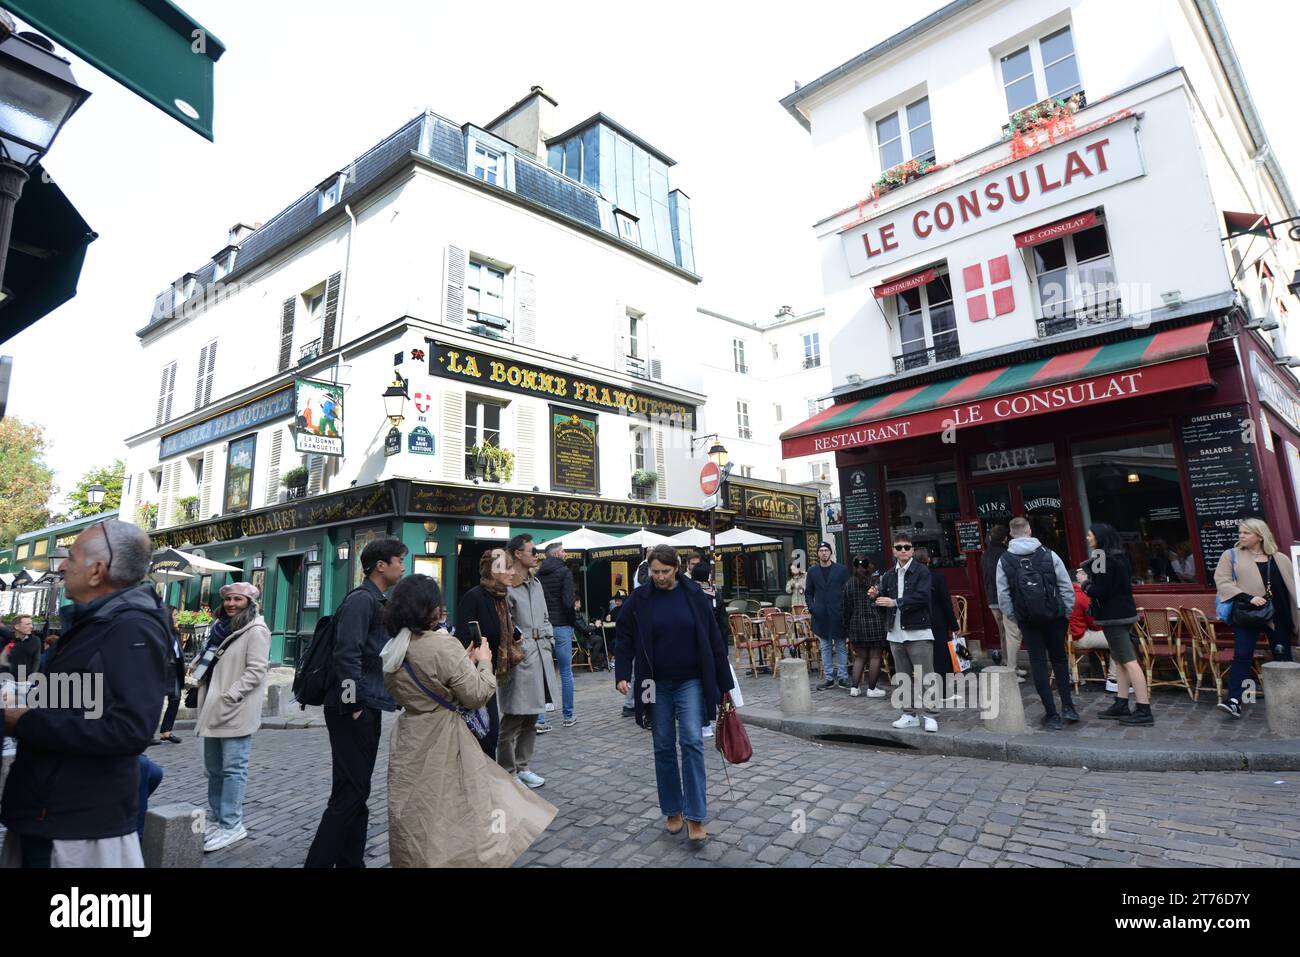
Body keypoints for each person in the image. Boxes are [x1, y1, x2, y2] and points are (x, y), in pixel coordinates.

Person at [0, 520, 169, 868]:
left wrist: (25, 721)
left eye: (71, 557)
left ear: (97, 571)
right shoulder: (93, 623)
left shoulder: (130, 627)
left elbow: (128, 729)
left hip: (75, 826)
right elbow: (78, 699)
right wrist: (24, 695)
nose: (62, 565)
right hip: (49, 814)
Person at [380, 574, 556, 867]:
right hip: (443, 738)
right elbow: (477, 694)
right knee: (457, 804)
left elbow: (427, 680)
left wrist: (464, 659)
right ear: (430, 608)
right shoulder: (441, 645)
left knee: (416, 809)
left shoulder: (395, 647)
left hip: (409, 737)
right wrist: (484, 661)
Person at [615, 545, 734, 842]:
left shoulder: (693, 594)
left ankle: (696, 815)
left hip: (690, 679)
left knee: (692, 740)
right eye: (654, 572)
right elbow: (624, 634)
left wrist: (724, 683)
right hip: (652, 683)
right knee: (663, 744)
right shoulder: (640, 598)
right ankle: (672, 809)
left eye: (665, 571)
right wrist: (621, 673)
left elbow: (713, 638)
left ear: (676, 568)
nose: (659, 577)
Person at [304, 537, 407, 868]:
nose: (402, 567)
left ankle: (351, 862)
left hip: (366, 705)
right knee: (350, 793)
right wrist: (353, 704)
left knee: (354, 790)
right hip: (352, 709)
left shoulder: (375, 600)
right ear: (381, 565)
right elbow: (345, 655)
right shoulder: (361, 601)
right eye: (399, 561)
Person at [194, 581, 272, 851]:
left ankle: (232, 824)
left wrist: (231, 695)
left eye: (238, 600)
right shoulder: (219, 630)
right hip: (212, 707)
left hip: (233, 709)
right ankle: (216, 819)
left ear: (249, 603)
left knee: (233, 770)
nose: (231, 604)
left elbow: (257, 670)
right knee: (214, 770)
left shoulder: (256, 630)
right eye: (228, 599)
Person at [997, 516, 1076, 730]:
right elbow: (1066, 587)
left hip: (1028, 620)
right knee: (1059, 660)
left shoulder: (1004, 560)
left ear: (1011, 534)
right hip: (1055, 617)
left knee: (1038, 664)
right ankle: (1068, 706)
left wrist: (1017, 618)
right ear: (1029, 530)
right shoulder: (1049, 554)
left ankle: (1051, 714)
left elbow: (1003, 596)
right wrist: (1065, 613)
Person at [1214, 519, 1297, 719]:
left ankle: (1289, 701)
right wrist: (1248, 597)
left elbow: (1292, 587)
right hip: (1247, 613)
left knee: (1282, 656)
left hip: (1278, 614)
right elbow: (1222, 581)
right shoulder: (1231, 555)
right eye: (1240, 532)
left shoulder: (1280, 558)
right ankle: (1234, 700)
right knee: (1242, 655)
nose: (1241, 536)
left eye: (1246, 533)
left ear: (1260, 536)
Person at [499, 533, 560, 789]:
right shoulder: (506, 584)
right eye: (532, 551)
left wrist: (549, 640)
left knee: (533, 716)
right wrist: (519, 644)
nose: (536, 555)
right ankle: (506, 770)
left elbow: (545, 616)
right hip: (521, 657)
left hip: (541, 654)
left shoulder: (536, 583)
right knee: (513, 716)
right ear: (516, 554)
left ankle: (523, 766)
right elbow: (505, 623)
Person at [1082, 525, 1151, 725]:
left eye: (1090, 534)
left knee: (1129, 661)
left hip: (1113, 616)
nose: (1087, 537)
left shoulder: (1101, 556)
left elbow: (1099, 590)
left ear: (1100, 537)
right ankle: (1121, 703)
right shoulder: (1119, 555)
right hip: (1124, 613)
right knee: (1120, 660)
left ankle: (1143, 709)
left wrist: (1084, 582)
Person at [874, 532, 938, 731]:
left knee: (925, 675)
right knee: (902, 676)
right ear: (893, 550)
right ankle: (908, 714)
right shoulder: (888, 574)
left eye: (907, 547)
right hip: (895, 632)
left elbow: (922, 598)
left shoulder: (921, 571)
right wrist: (875, 596)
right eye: (899, 547)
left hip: (918, 630)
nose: (903, 550)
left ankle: (930, 715)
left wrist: (895, 602)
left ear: (912, 550)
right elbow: (882, 603)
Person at [454, 548, 514, 758]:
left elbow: (500, 632)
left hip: (490, 676)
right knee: (488, 735)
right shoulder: (474, 598)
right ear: (493, 571)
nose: (512, 572)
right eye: (507, 567)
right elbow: (463, 641)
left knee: (489, 736)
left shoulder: (502, 598)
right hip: (474, 678)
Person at [536, 541, 577, 729]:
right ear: (556, 554)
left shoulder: (538, 574)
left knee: (543, 672)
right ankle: (568, 716)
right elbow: (568, 603)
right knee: (566, 672)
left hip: (544, 627)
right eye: (563, 551)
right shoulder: (565, 572)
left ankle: (540, 719)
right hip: (561, 626)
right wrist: (573, 622)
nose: (566, 553)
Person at [806, 542, 851, 689]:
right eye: (821, 550)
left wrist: (845, 609)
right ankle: (829, 678)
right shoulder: (812, 572)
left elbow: (847, 591)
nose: (824, 553)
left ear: (830, 553)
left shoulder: (841, 570)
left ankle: (843, 677)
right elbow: (808, 592)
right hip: (821, 615)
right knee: (825, 647)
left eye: (826, 550)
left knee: (840, 646)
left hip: (838, 614)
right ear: (818, 553)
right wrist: (812, 608)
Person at [842, 555, 887, 697]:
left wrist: (848, 626)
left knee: (860, 657)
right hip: (875, 624)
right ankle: (872, 689)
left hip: (856, 624)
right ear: (869, 566)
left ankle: (854, 688)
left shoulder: (848, 584)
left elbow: (844, 608)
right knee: (875, 657)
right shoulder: (875, 583)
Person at [981, 525, 1022, 681]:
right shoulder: (1007, 554)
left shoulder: (985, 555)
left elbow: (985, 579)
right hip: (1006, 599)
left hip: (992, 599)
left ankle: (1008, 664)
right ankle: (1012, 670)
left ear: (990, 538)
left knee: (1004, 634)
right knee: (1013, 634)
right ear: (1006, 538)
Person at [1069, 567, 1118, 693]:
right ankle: (1114, 679)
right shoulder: (1082, 596)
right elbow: (1094, 623)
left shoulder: (1065, 594)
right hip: (1079, 638)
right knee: (1117, 639)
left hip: (1067, 638)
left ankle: (1095, 674)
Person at [913, 547, 958, 677]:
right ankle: (944, 685)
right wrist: (954, 625)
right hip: (937, 619)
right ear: (928, 560)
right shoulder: (937, 577)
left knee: (924, 655)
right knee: (941, 654)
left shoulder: (911, 579)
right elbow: (946, 603)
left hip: (919, 620)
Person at [152, 608, 187, 745]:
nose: (176, 617)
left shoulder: (176, 632)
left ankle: (166, 732)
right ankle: (148, 734)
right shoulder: (158, 631)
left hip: (175, 669)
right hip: (161, 669)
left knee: (176, 698)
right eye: (174, 614)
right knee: (156, 701)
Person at [0, 615, 41, 680]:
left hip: (24, 680)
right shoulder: (7, 639)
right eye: (28, 624)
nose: (31, 626)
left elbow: (36, 660)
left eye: (31, 624)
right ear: (17, 627)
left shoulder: (35, 640)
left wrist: (32, 676)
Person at [573, 598, 607, 671]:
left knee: (595, 636)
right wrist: (595, 626)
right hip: (581, 639)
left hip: (577, 638)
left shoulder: (572, 613)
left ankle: (592, 662)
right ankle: (594, 664)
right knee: (598, 639)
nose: (580, 605)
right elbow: (584, 629)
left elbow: (581, 627)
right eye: (579, 603)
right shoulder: (575, 614)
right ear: (575, 603)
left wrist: (591, 626)